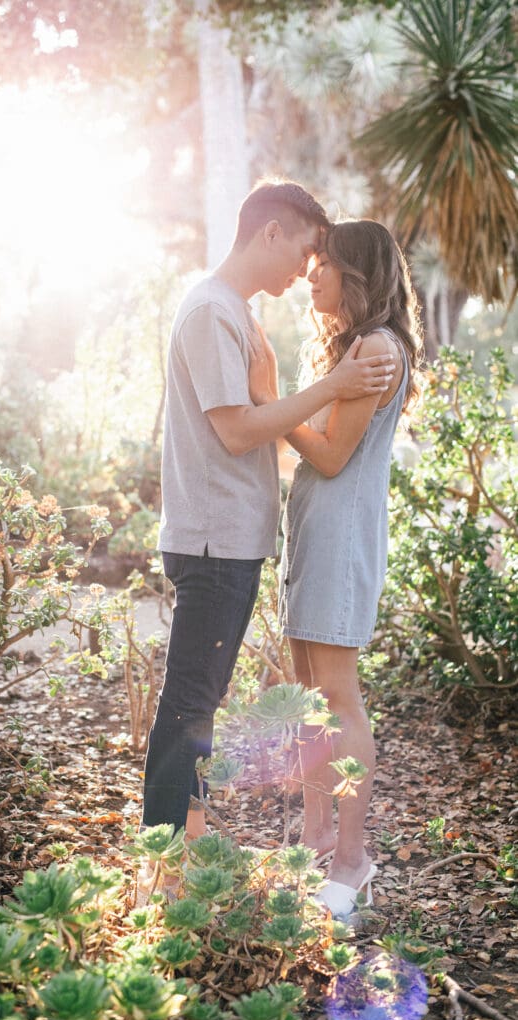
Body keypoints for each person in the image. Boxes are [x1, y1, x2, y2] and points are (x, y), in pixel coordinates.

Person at [139, 182, 397, 893]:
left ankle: (184, 857)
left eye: (325, 260)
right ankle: (166, 865)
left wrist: (289, 391)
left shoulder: (234, 313)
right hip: (214, 542)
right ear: (273, 232)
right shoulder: (213, 311)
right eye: (306, 251)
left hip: (236, 541)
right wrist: (321, 386)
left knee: (199, 703)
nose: (307, 271)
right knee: (190, 705)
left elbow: (288, 434)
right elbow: (236, 428)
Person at [249, 218, 424, 918]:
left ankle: (351, 860)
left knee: (338, 699)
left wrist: (270, 404)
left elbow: (326, 457)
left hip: (341, 539)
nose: (310, 274)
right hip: (320, 536)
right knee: (310, 695)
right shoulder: (356, 350)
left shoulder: (374, 349)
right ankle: (318, 839)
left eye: (323, 263)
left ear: (356, 274)